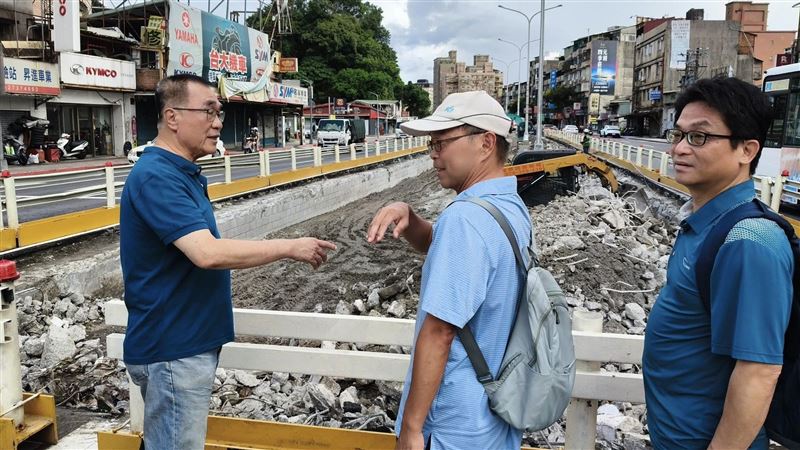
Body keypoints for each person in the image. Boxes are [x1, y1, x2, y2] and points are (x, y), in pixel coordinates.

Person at [119, 74, 336, 450]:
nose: (218, 122)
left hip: (185, 345)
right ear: (172, 117)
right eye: (208, 111)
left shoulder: (181, 172)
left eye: (219, 112)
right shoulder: (157, 176)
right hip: (174, 349)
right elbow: (207, 253)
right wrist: (290, 247)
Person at [367, 90, 531, 450]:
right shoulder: (507, 206)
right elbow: (455, 255)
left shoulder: (466, 218)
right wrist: (411, 220)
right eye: (432, 144)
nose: (433, 155)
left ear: (486, 143)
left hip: (452, 423)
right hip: (492, 414)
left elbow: (440, 331)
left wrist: (411, 428)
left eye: (442, 142)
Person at [643, 76, 792, 449]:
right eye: (677, 135)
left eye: (699, 137)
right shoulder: (705, 224)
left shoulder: (748, 241)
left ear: (746, 150)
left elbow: (759, 371)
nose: (679, 149)